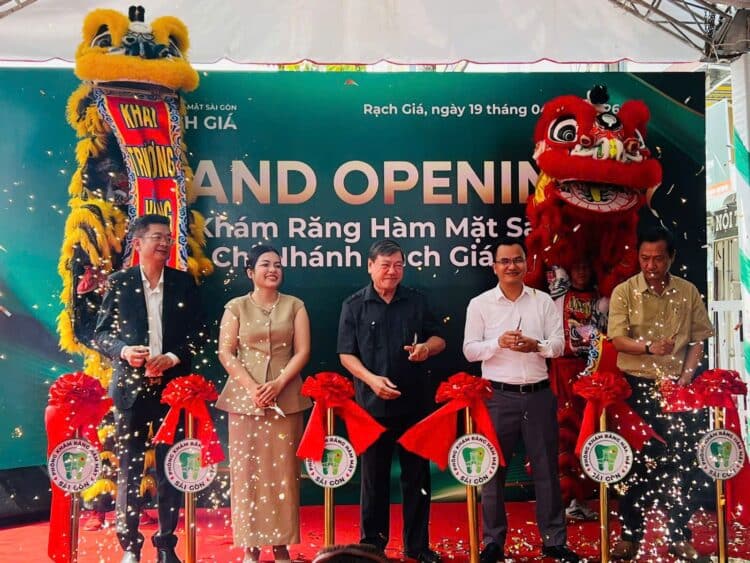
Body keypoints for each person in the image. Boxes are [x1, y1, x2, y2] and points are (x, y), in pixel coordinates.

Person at [463, 237, 581, 563]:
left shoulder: (543, 302)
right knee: (493, 472)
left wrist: (536, 346)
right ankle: (493, 543)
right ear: (494, 267)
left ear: (527, 264)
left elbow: (558, 345)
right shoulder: (480, 304)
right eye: (504, 261)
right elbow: (469, 350)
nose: (511, 266)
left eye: (517, 260)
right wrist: (497, 343)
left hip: (538, 395)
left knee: (547, 470)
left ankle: (554, 541)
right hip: (497, 396)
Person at [95, 214, 201, 563]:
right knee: (130, 467)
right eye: (157, 237)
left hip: (174, 390)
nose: (165, 243)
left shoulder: (183, 283)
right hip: (131, 390)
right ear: (138, 243)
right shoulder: (119, 283)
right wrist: (124, 351)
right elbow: (101, 334)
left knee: (171, 467)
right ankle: (130, 546)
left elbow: (198, 334)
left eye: (168, 238)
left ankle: (166, 544)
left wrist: (172, 357)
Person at [607, 227, 713, 562]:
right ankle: (630, 535)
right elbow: (617, 340)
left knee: (681, 462)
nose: (651, 265)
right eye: (645, 258)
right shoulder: (625, 291)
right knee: (633, 464)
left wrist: (685, 378)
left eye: (658, 259)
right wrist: (648, 347)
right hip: (635, 387)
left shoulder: (688, 291)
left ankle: (679, 535)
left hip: (676, 388)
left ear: (672, 258)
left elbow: (698, 339)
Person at [337, 239, 446, 563]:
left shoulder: (417, 300)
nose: (392, 271)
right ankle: (372, 546)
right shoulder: (354, 305)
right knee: (374, 480)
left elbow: (439, 338)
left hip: (414, 405)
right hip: (372, 407)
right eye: (385, 265)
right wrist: (371, 380)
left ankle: (417, 546)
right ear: (370, 266)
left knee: (417, 478)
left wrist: (426, 348)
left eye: (398, 265)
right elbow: (345, 354)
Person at [215, 244, 312, 563]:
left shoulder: (295, 305)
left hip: (287, 398)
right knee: (247, 473)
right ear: (250, 272)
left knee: (284, 472)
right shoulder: (235, 307)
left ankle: (282, 544)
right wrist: (252, 388)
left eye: (278, 265)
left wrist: (278, 384)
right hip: (245, 400)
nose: (273, 270)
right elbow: (226, 352)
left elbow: (302, 351)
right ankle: (250, 545)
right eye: (266, 264)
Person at [551, 261, 602, 522]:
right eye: (576, 266)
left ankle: (580, 498)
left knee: (589, 434)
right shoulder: (558, 298)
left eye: (585, 266)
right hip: (562, 373)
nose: (581, 271)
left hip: (592, 373)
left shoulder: (602, 299)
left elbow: (604, 336)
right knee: (562, 436)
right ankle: (560, 501)